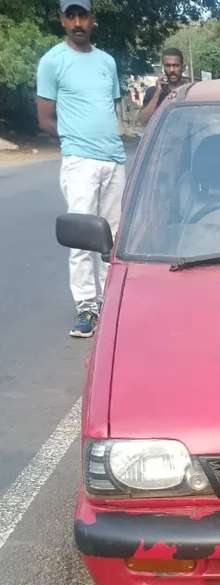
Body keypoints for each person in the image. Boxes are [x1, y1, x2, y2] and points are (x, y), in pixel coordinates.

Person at [37, 0, 126, 339]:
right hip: (80, 162)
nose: (77, 22)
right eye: (71, 16)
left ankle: (112, 302)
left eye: (83, 15)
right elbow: (45, 118)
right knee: (82, 239)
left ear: (92, 19)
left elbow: (111, 109)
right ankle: (87, 306)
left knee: (113, 237)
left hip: (114, 160)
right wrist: (73, 141)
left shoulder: (107, 62)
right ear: (62, 20)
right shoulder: (53, 61)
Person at [139, 49, 187, 126]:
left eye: (176, 66)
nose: (171, 70)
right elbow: (142, 121)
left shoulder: (190, 91)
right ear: (163, 68)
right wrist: (157, 94)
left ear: (183, 67)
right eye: (168, 66)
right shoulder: (152, 92)